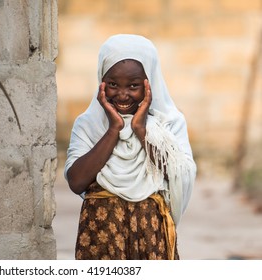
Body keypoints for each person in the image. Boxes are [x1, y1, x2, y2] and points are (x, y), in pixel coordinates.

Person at [64, 34, 196, 260]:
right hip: (101, 234)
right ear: (101, 81)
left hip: (150, 233)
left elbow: (179, 177)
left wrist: (141, 130)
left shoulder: (168, 124)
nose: (123, 95)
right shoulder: (89, 124)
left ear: (150, 83)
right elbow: (76, 181)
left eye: (134, 85)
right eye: (113, 84)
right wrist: (114, 129)